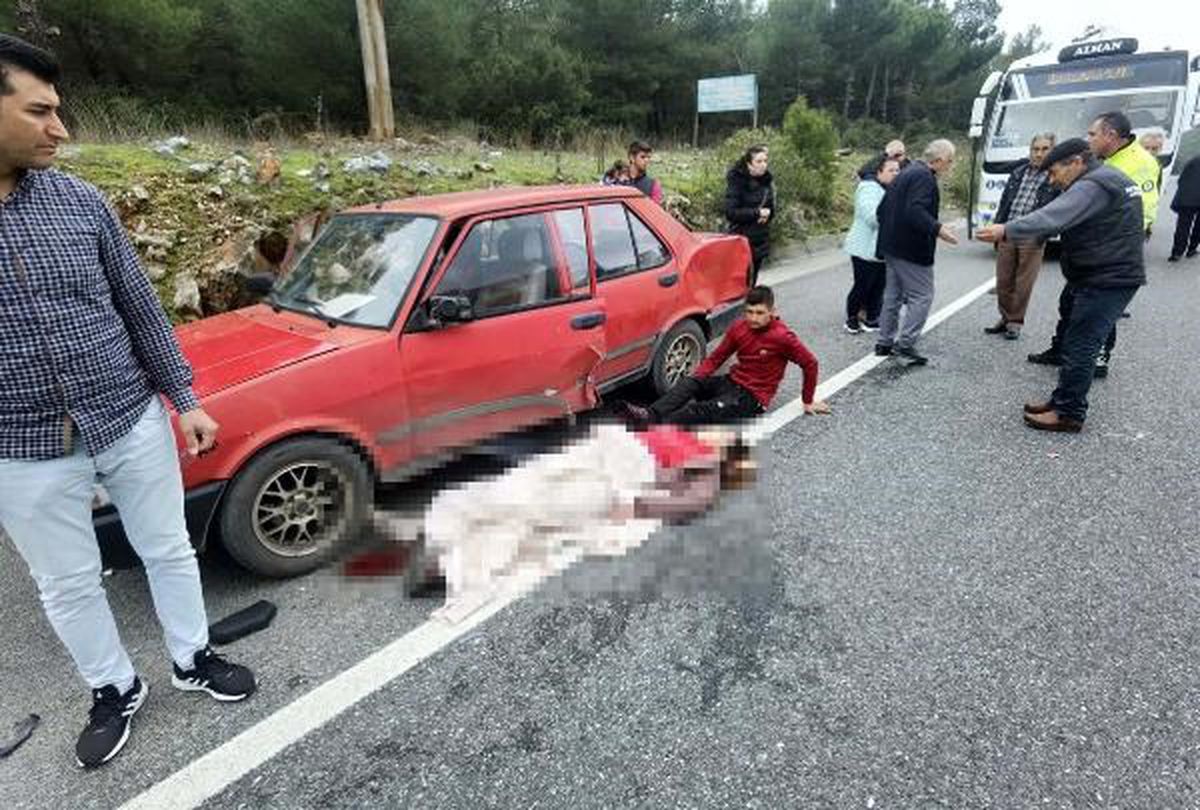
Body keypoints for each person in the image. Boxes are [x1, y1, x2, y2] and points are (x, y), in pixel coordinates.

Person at [0, 34, 254, 769]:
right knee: (67, 583)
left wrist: (184, 397)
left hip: (128, 416)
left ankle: (192, 656)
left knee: (168, 548)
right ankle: (113, 687)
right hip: (20, 446)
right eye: (41, 111)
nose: (61, 129)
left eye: (61, 110)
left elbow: (141, 307)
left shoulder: (83, 203)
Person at [401, 422, 757, 620]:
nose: (712, 432)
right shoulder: (681, 434)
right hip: (603, 453)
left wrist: (637, 505)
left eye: (721, 436)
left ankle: (449, 563)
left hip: (620, 476)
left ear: (723, 451)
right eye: (716, 429)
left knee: (537, 507)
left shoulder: (706, 467)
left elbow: (690, 503)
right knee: (524, 482)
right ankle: (448, 530)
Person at [977, 138, 1145, 433]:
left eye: (1054, 172)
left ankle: (1069, 412)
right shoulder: (1106, 177)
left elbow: (1053, 216)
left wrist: (1007, 229)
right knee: (1072, 330)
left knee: (1082, 343)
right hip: (1101, 272)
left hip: (1107, 277)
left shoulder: (1093, 185)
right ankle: (1060, 401)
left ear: (1076, 162)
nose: (1052, 181)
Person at [1027, 112, 1158, 375]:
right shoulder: (1101, 160)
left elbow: (1141, 208)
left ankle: (1096, 359)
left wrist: (1119, 243)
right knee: (1071, 304)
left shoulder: (1137, 162)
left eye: (1092, 134)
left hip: (1111, 254)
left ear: (1111, 135)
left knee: (1095, 316)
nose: (1089, 139)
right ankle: (1062, 350)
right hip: (1089, 252)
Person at [617, 285, 829, 426]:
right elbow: (717, 357)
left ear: (772, 311)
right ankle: (650, 415)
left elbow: (810, 363)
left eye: (760, 313)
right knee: (690, 383)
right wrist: (698, 378)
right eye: (749, 312)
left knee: (700, 410)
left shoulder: (783, 337)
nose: (753, 318)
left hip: (752, 397)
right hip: (731, 381)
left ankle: (654, 429)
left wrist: (807, 400)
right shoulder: (739, 327)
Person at [874, 139, 959, 365]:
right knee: (922, 295)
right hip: (910, 249)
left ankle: (884, 341)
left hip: (891, 246)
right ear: (939, 160)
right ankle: (905, 344)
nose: (950, 166)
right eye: (950, 161)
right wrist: (938, 229)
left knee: (893, 294)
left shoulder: (906, 172)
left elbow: (881, 209)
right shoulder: (924, 177)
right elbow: (915, 211)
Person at [984, 133, 1059, 340]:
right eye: (1036, 149)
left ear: (1052, 151)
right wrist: (997, 228)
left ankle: (1015, 322)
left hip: (1032, 237)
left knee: (1023, 283)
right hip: (1008, 232)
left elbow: (1057, 211)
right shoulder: (1018, 172)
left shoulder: (1056, 176)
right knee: (1003, 281)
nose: (1039, 153)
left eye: (1045, 149)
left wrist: (1044, 234)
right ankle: (1005, 318)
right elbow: (1005, 202)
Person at [842, 155, 901, 333]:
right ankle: (852, 318)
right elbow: (872, 217)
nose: (896, 174)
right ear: (879, 172)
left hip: (881, 249)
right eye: (891, 170)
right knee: (863, 285)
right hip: (864, 248)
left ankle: (872, 318)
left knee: (879, 286)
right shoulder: (868, 188)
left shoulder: (889, 188)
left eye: (898, 170)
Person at [724, 144, 775, 287]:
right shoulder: (737, 182)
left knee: (751, 283)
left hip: (760, 239)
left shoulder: (767, 182)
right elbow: (731, 212)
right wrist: (756, 213)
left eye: (765, 161)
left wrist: (768, 215)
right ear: (749, 164)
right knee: (740, 284)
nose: (763, 165)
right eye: (759, 161)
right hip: (742, 241)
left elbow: (771, 209)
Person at [1168, 152, 1200, 262]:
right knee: (1199, 226)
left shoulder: (1193, 160)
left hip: (1187, 199)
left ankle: (1177, 253)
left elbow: (1181, 179)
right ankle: (1192, 250)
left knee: (1183, 226)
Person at [624, 139, 663, 205]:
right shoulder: (616, 180)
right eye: (643, 157)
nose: (646, 160)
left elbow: (654, 211)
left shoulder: (653, 185)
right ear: (632, 158)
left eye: (648, 157)